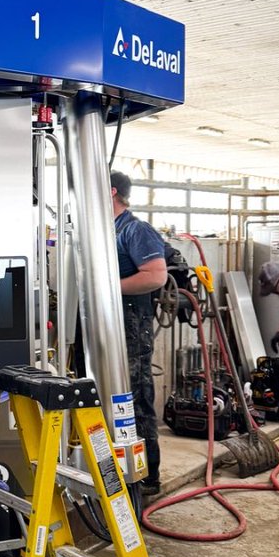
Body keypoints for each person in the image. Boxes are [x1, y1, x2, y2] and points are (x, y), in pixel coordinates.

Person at [110, 171, 167, 495]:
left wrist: (108, 287)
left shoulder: (135, 229)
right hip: (109, 324)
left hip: (132, 325)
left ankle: (147, 475)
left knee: (135, 398)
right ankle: (120, 470)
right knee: (111, 397)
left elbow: (156, 275)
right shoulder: (108, 230)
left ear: (111, 191)